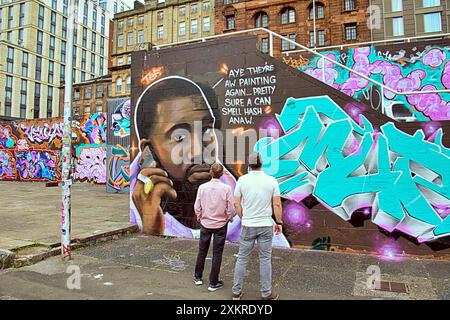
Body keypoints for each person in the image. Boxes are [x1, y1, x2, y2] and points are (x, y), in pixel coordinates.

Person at [130, 76, 289, 247]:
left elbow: (278, 247)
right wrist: (151, 228)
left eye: (206, 130)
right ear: (148, 149)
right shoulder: (136, 212)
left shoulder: (235, 193)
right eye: (179, 137)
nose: (198, 151)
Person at [232, 153, 283, 301]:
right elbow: (277, 204)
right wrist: (279, 222)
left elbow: (236, 203)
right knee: (265, 258)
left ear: (249, 164)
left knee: (242, 258)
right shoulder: (271, 181)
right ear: (262, 163)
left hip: (248, 224)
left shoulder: (242, 180)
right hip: (265, 225)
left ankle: (236, 292)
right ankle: (266, 293)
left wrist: (243, 217)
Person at [193, 163, 234, 292]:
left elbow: (196, 206)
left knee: (202, 250)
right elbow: (230, 207)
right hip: (221, 224)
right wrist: (229, 217)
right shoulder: (226, 188)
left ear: (210, 173)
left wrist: (199, 217)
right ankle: (213, 282)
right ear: (221, 174)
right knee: (217, 253)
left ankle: (198, 277)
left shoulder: (202, 187)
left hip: (205, 223)